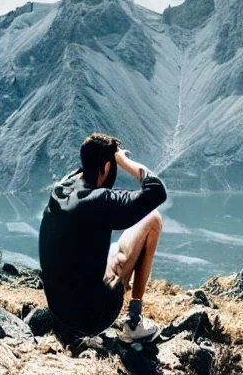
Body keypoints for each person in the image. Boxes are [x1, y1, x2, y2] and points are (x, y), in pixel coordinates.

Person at [38, 132, 167, 343]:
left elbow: (88, 163)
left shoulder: (61, 188)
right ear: (106, 167)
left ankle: (74, 324)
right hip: (91, 319)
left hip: (59, 311)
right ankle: (134, 322)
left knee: (114, 247)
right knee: (153, 219)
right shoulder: (99, 200)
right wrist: (124, 161)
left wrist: (101, 153)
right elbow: (156, 190)